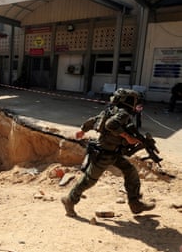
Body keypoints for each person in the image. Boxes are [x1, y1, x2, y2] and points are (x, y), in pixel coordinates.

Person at [61, 88, 155, 217]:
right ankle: (69, 200)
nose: (135, 103)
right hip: (105, 153)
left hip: (112, 152)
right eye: (134, 100)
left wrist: (83, 130)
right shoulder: (123, 113)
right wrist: (127, 137)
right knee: (89, 180)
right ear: (127, 100)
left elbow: (95, 120)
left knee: (130, 171)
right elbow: (110, 124)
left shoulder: (111, 110)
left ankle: (135, 203)